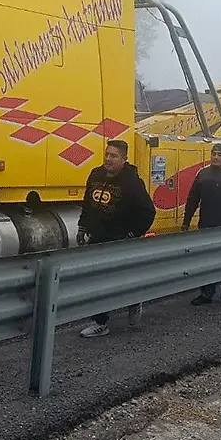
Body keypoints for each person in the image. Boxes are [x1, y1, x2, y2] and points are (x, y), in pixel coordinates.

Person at [77, 139, 157, 337]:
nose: (108, 159)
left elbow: (148, 211)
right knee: (96, 279)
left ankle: (134, 300)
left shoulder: (132, 182)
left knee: (121, 278)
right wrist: (82, 227)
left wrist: (131, 234)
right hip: (97, 238)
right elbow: (87, 203)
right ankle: (100, 323)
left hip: (120, 240)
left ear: (124, 159)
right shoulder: (96, 174)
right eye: (106, 154)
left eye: (113, 156)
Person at [182, 142, 221, 305]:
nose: (215, 157)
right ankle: (206, 293)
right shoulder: (203, 175)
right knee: (206, 260)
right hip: (206, 225)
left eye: (219, 155)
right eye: (213, 154)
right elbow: (192, 200)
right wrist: (186, 221)